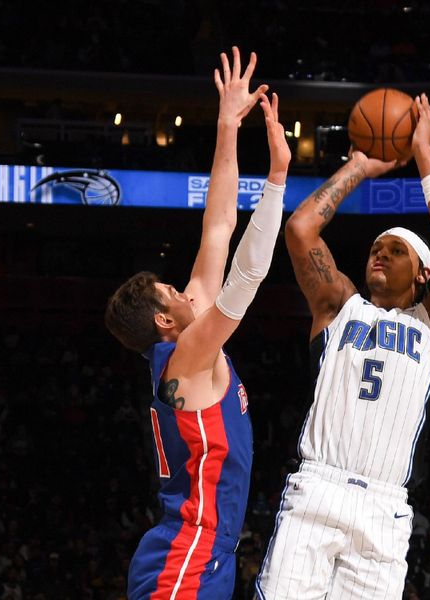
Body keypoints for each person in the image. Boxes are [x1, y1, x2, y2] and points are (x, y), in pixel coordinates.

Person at [256, 94, 430, 598]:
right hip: (317, 489)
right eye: (376, 248)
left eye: (395, 252)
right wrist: (357, 167)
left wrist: (423, 152)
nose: (380, 254)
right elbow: (301, 228)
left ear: (423, 274)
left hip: (384, 508)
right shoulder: (338, 306)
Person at [104, 47, 291, 600]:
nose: (189, 289)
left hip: (204, 551)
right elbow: (248, 277)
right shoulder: (185, 358)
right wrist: (277, 178)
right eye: (175, 290)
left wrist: (228, 126)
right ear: (166, 318)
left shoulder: (190, 336)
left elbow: (219, 223)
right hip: (187, 552)